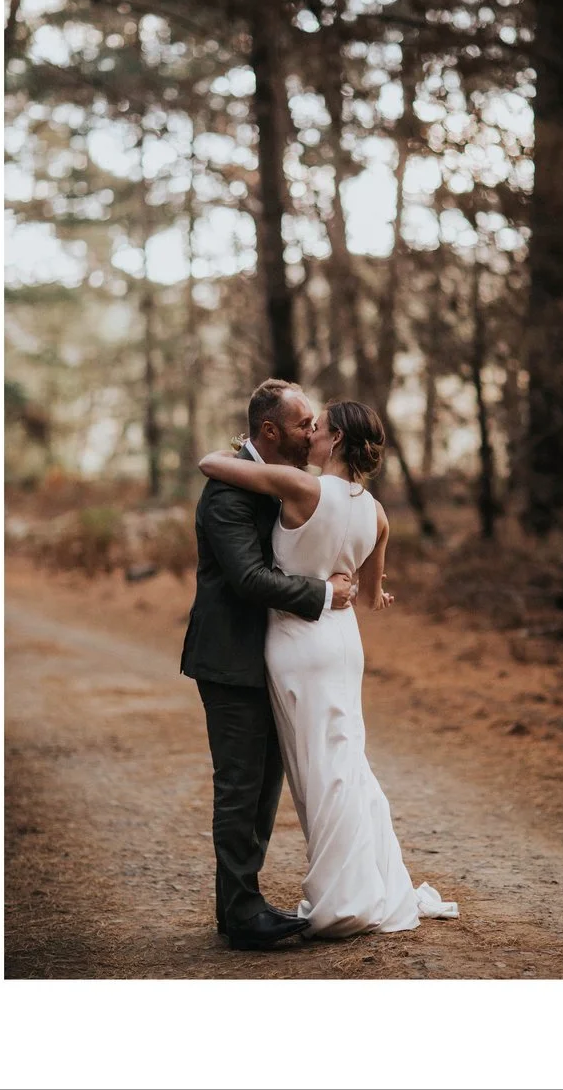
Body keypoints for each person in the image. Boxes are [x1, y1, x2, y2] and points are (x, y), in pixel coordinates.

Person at [197, 395, 458, 937]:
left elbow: (209, 464)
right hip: (341, 640)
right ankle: (359, 883)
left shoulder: (301, 487)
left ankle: (341, 896)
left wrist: (233, 452)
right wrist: (358, 589)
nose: (311, 432)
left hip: (300, 641)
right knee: (343, 762)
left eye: (317, 426)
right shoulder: (376, 510)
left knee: (320, 770)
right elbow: (371, 590)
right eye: (304, 424)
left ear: (335, 438)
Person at [177, 378, 357, 950]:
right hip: (230, 658)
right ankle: (241, 912)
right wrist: (325, 594)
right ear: (271, 431)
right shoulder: (227, 494)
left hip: (274, 659)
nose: (312, 432)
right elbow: (249, 579)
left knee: (264, 788)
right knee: (240, 786)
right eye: (304, 424)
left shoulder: (275, 480)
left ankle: (241, 906)